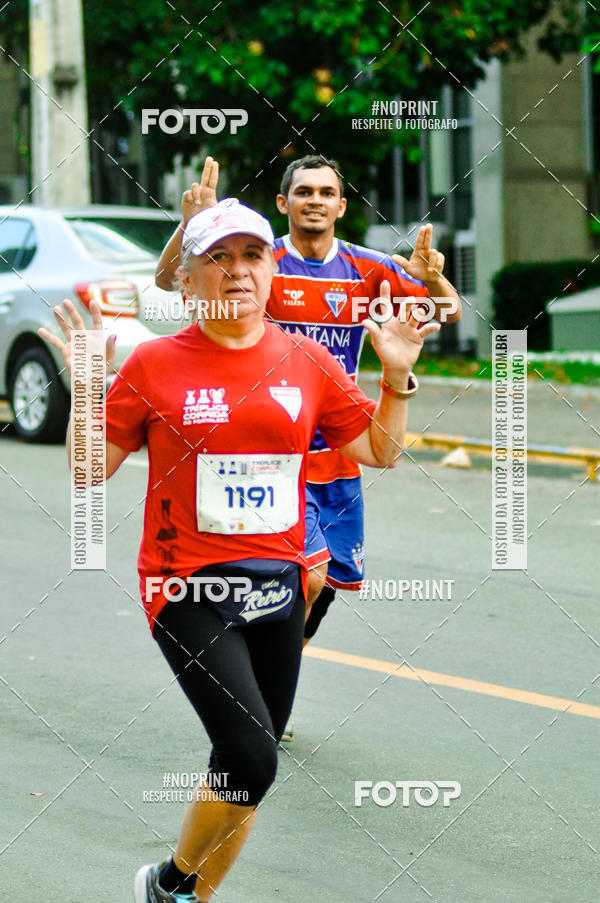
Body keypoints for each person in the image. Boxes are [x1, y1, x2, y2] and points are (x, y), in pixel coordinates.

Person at [40, 196, 439, 901]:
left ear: (270, 271)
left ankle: (187, 894)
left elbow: (378, 449)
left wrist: (395, 375)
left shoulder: (306, 360)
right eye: (216, 258)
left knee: (247, 776)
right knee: (251, 755)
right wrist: (87, 390)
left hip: (279, 586)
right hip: (186, 586)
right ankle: (165, 883)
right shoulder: (155, 365)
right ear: (187, 279)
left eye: (252, 255)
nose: (238, 271)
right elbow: (86, 469)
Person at [156, 156, 461, 740]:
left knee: (329, 584)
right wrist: (187, 223)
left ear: (341, 206)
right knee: (310, 576)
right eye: (302, 192)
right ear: (284, 204)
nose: (314, 200)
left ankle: (263, 668)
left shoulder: (367, 269)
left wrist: (433, 278)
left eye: (326, 192)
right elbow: (170, 285)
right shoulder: (256, 261)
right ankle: (259, 690)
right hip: (273, 454)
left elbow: (444, 312)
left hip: (344, 452)